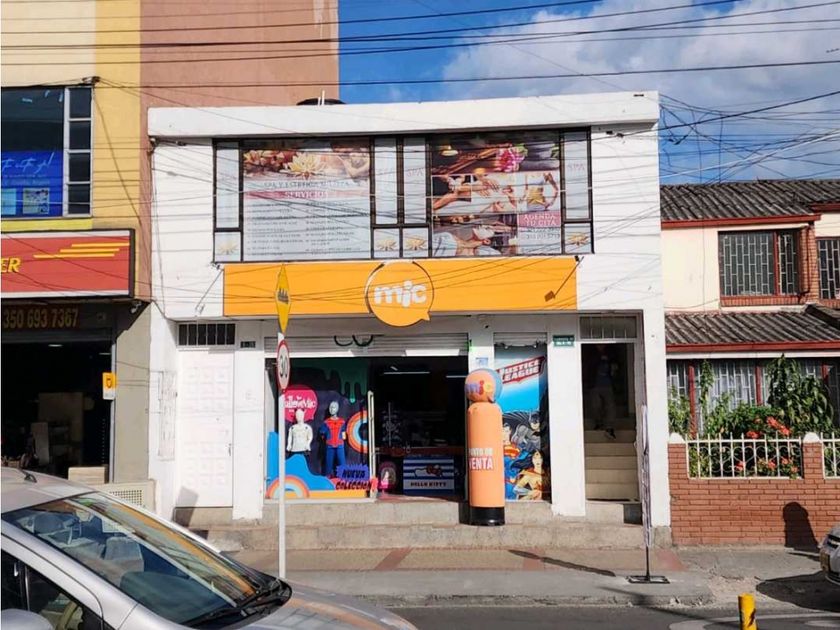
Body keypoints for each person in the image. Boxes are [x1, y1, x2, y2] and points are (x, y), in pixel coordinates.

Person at [590, 349, 616, 438]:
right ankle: (599, 422)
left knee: (610, 406)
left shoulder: (611, 354)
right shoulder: (592, 355)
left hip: (608, 385)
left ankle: (609, 428)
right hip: (594, 385)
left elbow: (615, 368)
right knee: (596, 405)